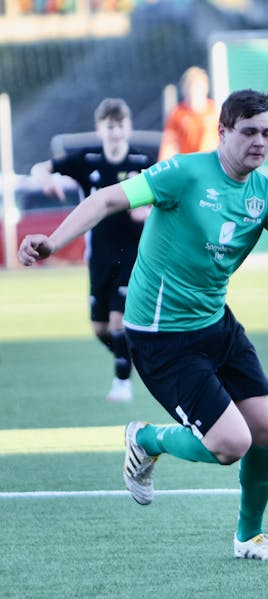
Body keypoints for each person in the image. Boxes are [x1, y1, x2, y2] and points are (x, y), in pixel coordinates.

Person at [19, 89, 268, 562]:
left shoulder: (265, 193)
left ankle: (249, 537)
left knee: (265, 430)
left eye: (266, 133)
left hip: (215, 323)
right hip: (161, 335)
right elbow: (105, 200)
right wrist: (53, 243)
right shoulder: (184, 173)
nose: (259, 142)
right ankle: (145, 438)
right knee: (231, 444)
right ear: (221, 132)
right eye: (248, 132)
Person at [30, 98, 154, 403]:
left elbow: (165, 201)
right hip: (98, 255)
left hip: (133, 255)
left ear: (129, 127)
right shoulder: (88, 161)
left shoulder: (142, 163)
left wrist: (148, 211)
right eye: (110, 126)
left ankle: (122, 383)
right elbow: (39, 168)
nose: (115, 132)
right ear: (100, 129)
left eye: (121, 125)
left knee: (117, 320)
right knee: (100, 328)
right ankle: (137, 357)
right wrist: (46, 180)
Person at [158, 66, 220, 160]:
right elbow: (169, 145)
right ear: (184, 90)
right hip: (187, 165)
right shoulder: (177, 114)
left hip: (209, 164)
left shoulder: (216, 111)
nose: (193, 92)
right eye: (190, 87)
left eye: (197, 87)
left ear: (205, 88)